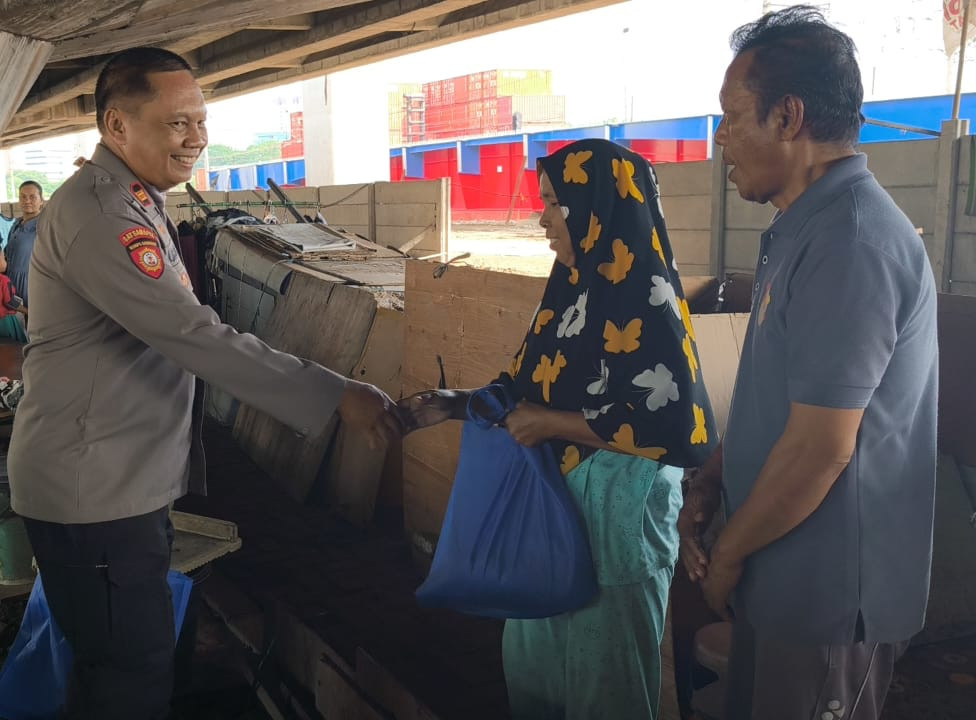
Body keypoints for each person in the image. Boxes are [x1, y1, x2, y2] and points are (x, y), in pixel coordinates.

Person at [4, 47, 402, 719]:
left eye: (201, 120)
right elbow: (193, 335)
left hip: (112, 478)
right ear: (118, 126)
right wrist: (336, 395)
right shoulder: (106, 215)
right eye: (177, 122)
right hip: (96, 492)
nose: (197, 138)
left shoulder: (130, 198)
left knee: (115, 666)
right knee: (130, 675)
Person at [678, 7, 938, 719]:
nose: (721, 137)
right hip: (781, 579)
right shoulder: (801, 229)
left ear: (788, 117)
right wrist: (713, 478)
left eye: (733, 116)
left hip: (827, 599)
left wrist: (727, 554)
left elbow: (822, 446)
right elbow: (781, 399)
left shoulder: (850, 241)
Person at [399, 138, 718, 719]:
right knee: (536, 673)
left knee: (606, 682)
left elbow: (675, 424)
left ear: (598, 208)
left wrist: (550, 423)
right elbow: (530, 388)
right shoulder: (569, 294)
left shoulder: (648, 302)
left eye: (554, 203)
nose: (540, 217)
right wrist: (456, 403)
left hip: (616, 519)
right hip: (548, 520)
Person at [4, 180, 43, 304]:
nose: (27, 201)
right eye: (23, 197)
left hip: (33, 284)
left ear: (41, 200)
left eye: (32, 197)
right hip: (11, 283)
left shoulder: (44, 225)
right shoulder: (15, 224)